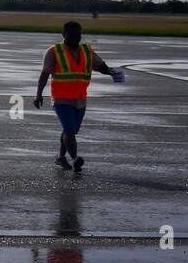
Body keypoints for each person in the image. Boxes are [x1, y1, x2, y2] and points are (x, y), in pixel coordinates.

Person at [33, 21, 124, 170]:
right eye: (72, 35)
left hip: (80, 99)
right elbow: (44, 74)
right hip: (61, 98)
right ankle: (75, 159)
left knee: (71, 130)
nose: (76, 38)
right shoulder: (53, 51)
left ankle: (61, 157)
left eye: (78, 35)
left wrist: (111, 72)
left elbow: (100, 65)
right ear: (64, 35)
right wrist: (38, 95)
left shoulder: (86, 51)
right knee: (69, 130)